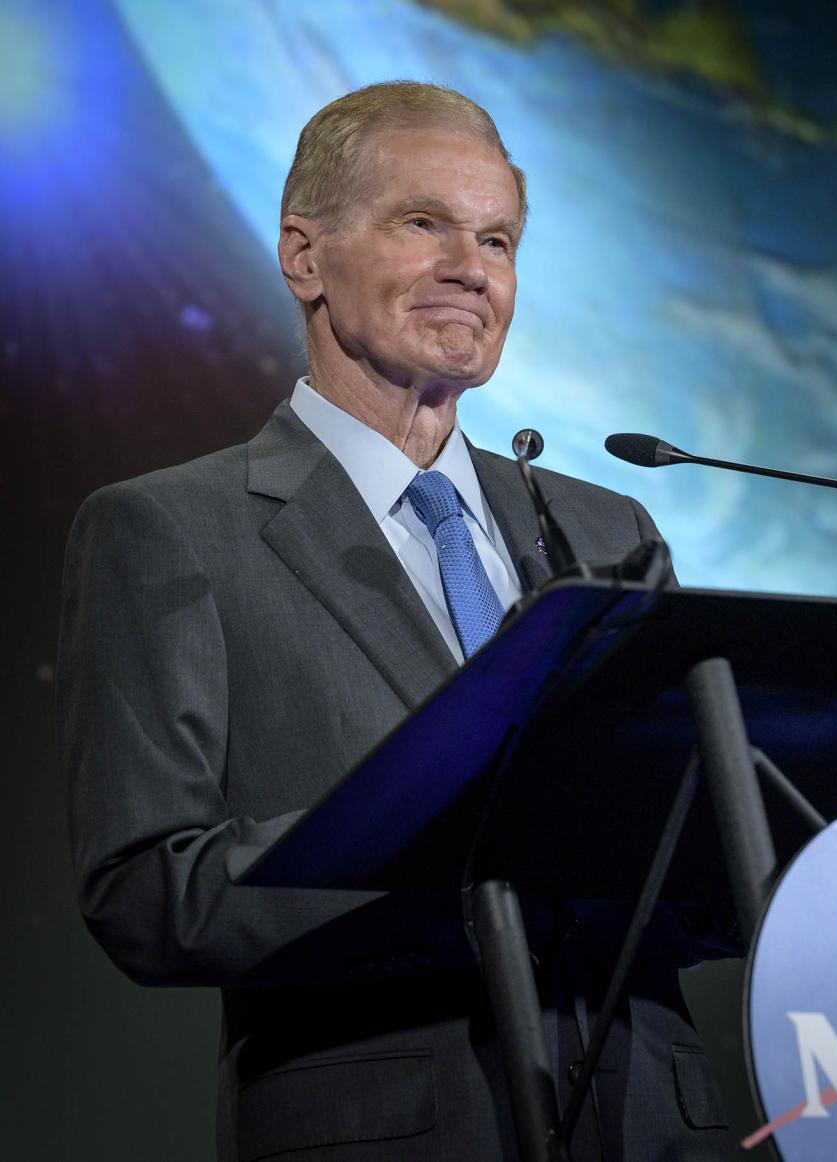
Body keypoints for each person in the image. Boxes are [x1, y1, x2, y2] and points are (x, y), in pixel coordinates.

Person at [59, 82, 731, 1161]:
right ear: (304, 257)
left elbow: (695, 846)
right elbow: (148, 892)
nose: (473, 267)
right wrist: (450, 852)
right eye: (424, 222)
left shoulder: (608, 532)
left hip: (656, 1124)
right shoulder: (169, 531)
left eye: (498, 238)